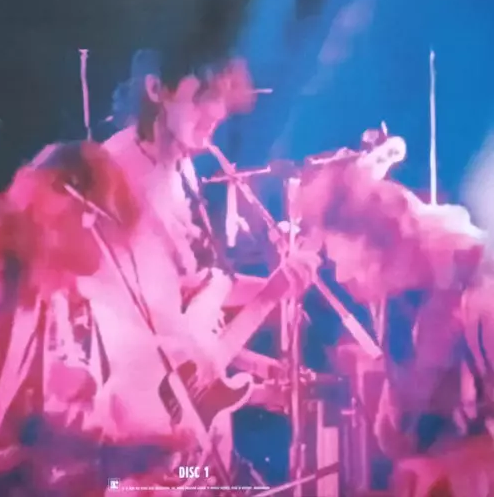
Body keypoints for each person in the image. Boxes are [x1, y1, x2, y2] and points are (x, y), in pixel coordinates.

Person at [0, 141, 193, 497]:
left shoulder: (29, 286)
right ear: (62, 210)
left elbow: (44, 407)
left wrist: (129, 446)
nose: (71, 284)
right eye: (74, 265)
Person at [103, 49, 314, 478]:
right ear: (156, 89)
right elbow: (167, 360)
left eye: (223, 95)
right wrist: (270, 294)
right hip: (149, 445)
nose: (219, 112)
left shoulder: (179, 166)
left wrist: (254, 365)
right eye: (204, 95)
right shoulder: (121, 178)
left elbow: (188, 295)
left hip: (193, 437)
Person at [296, 156, 494, 494]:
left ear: (385, 252)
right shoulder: (404, 304)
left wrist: (452, 467)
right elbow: (398, 437)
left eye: (357, 269)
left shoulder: (483, 298)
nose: (342, 278)